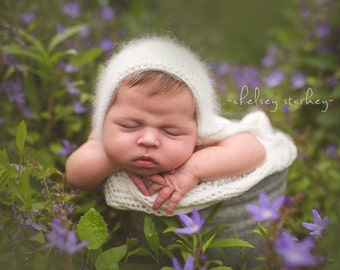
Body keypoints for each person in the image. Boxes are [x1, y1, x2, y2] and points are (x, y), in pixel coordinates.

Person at [66, 36, 296, 215]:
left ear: (196, 128)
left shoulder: (206, 132)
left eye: (170, 131)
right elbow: (75, 174)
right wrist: (113, 159)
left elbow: (254, 150)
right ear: (104, 118)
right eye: (130, 125)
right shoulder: (105, 135)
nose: (148, 140)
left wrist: (193, 169)